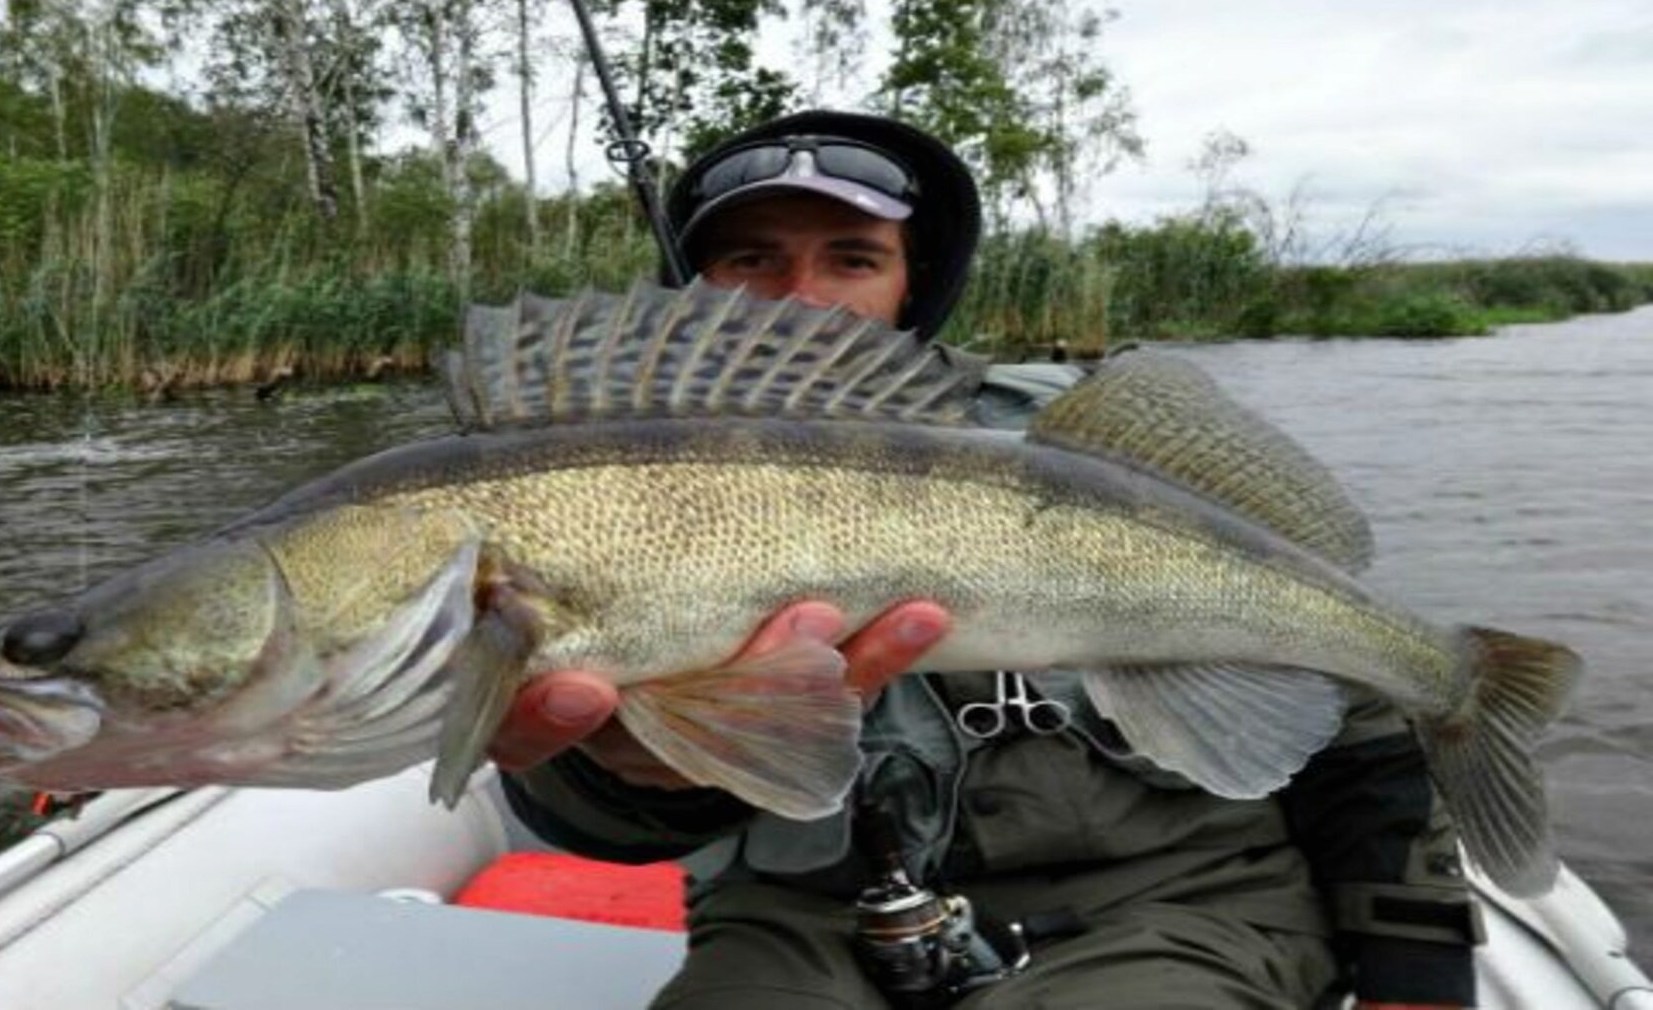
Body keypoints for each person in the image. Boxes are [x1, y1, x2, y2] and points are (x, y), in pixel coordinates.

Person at [488, 110, 1479, 1009]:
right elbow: (601, 828)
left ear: (913, 278)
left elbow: (1355, 705)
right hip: (806, 922)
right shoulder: (584, 489)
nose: (801, 300)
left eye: (851, 259)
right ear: (695, 287)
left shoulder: (1073, 442)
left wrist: (1415, 961)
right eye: (750, 259)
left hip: (1172, 903)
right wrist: (643, 776)